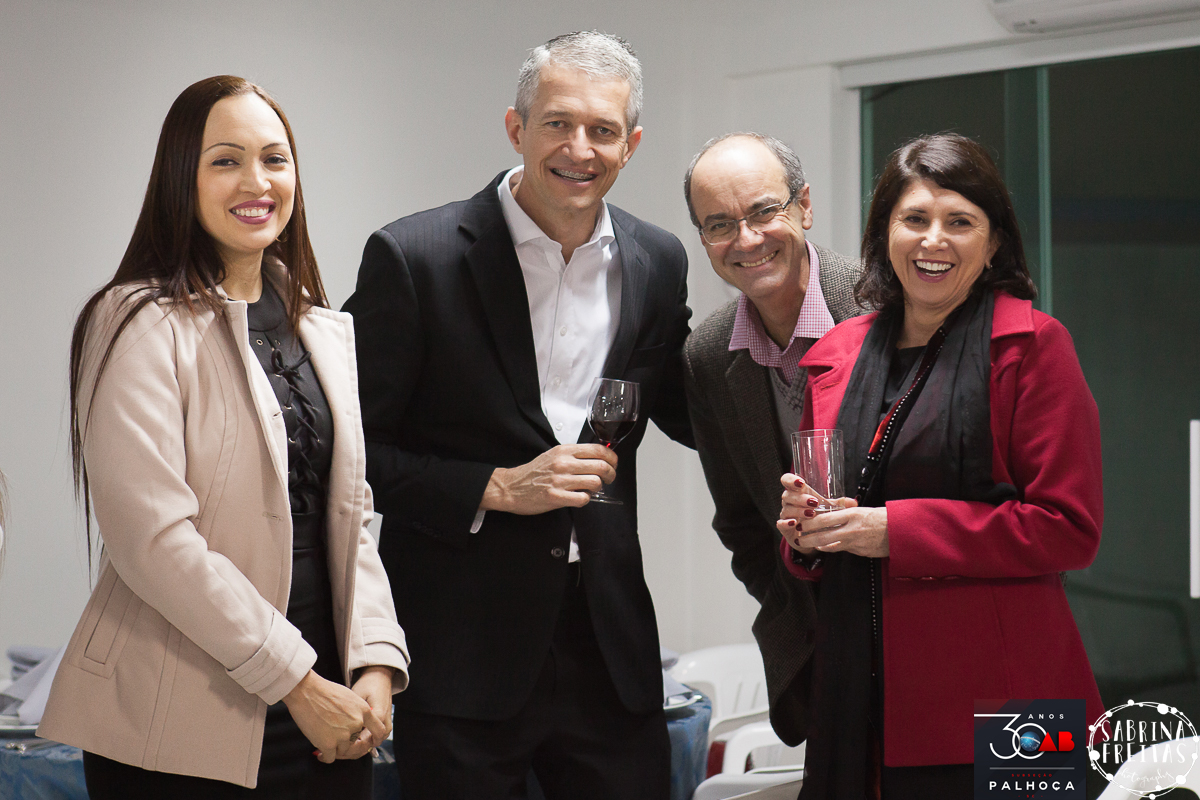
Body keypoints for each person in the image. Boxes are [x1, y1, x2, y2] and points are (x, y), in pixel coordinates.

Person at [342, 31, 692, 800]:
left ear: (631, 145)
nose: (580, 148)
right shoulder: (415, 257)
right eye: (558, 124)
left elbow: (685, 402)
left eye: (603, 130)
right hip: (460, 654)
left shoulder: (658, 260)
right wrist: (495, 486)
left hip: (609, 650)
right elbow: (349, 450)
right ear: (515, 128)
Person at [38, 76, 410, 798]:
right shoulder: (136, 320)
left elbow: (352, 513)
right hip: (180, 716)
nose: (257, 181)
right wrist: (295, 680)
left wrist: (373, 663)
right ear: (182, 177)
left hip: (328, 714)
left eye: (275, 159)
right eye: (226, 160)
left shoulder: (322, 329)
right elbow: (154, 542)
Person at [776, 132, 1104, 798]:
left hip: (1013, 704)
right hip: (860, 694)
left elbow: (1067, 527)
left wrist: (892, 532)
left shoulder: (1034, 346)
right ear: (884, 233)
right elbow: (833, 516)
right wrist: (807, 534)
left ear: (993, 243)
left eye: (960, 222)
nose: (934, 241)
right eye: (915, 220)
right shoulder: (836, 355)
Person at [681, 133, 862, 745]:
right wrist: (796, 602)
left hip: (933, 629)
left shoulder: (891, 309)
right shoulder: (707, 357)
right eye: (719, 224)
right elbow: (739, 521)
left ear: (804, 206)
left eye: (764, 211)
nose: (747, 239)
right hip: (820, 660)